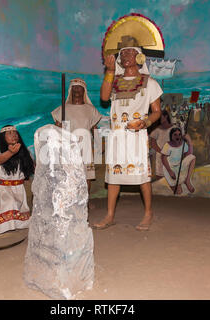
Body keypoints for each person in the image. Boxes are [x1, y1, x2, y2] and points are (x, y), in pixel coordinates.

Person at [92, 36, 162, 231]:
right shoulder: (113, 80)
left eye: (130, 51)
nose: (125, 55)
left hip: (137, 137)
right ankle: (110, 215)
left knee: (142, 176)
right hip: (117, 136)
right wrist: (110, 70)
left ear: (140, 57)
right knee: (113, 176)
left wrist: (145, 122)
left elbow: (157, 112)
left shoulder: (150, 83)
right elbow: (104, 97)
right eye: (122, 53)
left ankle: (148, 213)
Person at [51, 78, 102, 207]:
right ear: (70, 90)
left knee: (86, 175)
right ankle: (70, 201)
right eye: (74, 87)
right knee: (68, 175)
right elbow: (56, 128)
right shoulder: (63, 109)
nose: (77, 90)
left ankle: (84, 201)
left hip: (85, 145)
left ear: (84, 90)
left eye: (79, 87)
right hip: (68, 146)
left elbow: (94, 129)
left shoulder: (90, 109)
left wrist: (99, 147)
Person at [0, 125, 35, 234]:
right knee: (9, 204)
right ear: (3, 138)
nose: (14, 135)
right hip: (3, 190)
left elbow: (33, 168)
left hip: (19, 189)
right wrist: (11, 153)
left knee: (22, 218)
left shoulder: (26, 153)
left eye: (15, 133)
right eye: (9, 133)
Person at [161, 128, 196, 194]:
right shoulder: (167, 145)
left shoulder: (182, 144)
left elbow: (189, 155)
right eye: (175, 135)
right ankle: (176, 183)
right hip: (169, 168)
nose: (178, 137)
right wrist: (170, 171)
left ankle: (187, 180)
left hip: (179, 166)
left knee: (192, 157)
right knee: (179, 192)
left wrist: (189, 141)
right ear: (171, 136)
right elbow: (163, 158)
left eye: (179, 135)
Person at [149, 109, 174, 180]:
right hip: (160, 158)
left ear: (166, 116)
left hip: (172, 156)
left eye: (160, 117)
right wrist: (162, 152)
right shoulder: (156, 131)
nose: (159, 120)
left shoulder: (174, 128)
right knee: (160, 178)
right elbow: (153, 144)